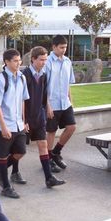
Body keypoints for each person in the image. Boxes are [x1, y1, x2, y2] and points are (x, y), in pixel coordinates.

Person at [22, 46, 65, 188]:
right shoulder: (24, 75)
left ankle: (49, 178)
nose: (44, 63)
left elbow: (44, 96)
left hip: (39, 117)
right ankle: (8, 170)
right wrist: (23, 120)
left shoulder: (44, 75)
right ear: (33, 59)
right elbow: (20, 100)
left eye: (45, 60)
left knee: (43, 145)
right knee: (18, 150)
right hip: (25, 118)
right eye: (41, 60)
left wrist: (46, 108)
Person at [0, 48, 30, 199]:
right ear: (6, 62)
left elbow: (23, 101)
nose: (18, 63)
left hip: (18, 124)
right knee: (2, 156)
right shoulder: (0, 80)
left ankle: (1, 171)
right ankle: (6, 187)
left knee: (20, 152)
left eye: (19, 60)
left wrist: (24, 121)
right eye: (15, 60)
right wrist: (4, 127)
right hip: (3, 124)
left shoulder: (21, 78)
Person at [45, 35, 77, 172]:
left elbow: (68, 84)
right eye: (61, 47)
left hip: (65, 103)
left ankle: (55, 153)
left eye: (65, 47)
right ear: (54, 47)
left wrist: (71, 101)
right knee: (51, 132)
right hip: (51, 103)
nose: (64, 50)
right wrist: (47, 105)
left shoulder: (67, 62)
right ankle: (47, 160)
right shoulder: (47, 63)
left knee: (71, 127)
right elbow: (43, 87)